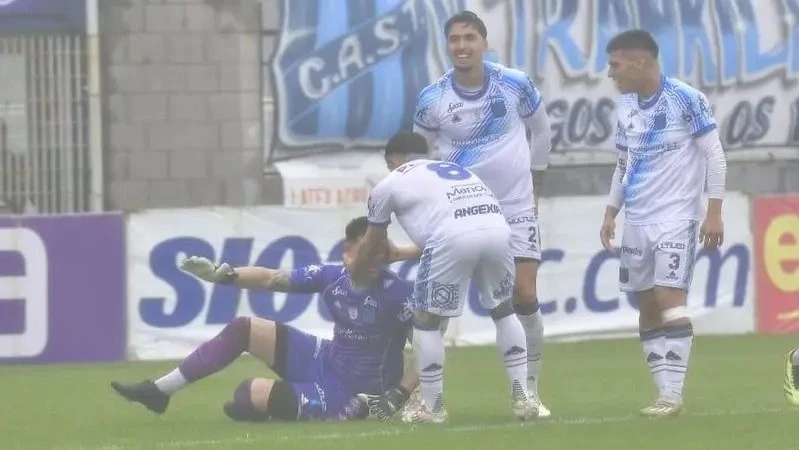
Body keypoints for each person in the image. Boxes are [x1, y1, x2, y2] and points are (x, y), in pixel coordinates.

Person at [110, 216, 421, 423]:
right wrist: (226, 275)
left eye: (380, 252)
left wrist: (400, 394)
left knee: (245, 395)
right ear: (348, 253)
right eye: (367, 252)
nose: (374, 260)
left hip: (355, 392)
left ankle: (293, 406)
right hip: (325, 360)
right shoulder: (332, 277)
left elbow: (427, 349)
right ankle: (160, 391)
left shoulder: (399, 295)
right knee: (243, 328)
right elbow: (273, 278)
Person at [412, 10, 552, 416]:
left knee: (523, 293)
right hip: (461, 211)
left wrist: (537, 183)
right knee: (436, 306)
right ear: (447, 45)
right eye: (454, 39)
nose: (461, 46)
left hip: (515, 205)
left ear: (485, 42)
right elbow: (418, 156)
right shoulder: (432, 99)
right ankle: (425, 396)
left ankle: (529, 391)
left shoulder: (514, 84)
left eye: (469, 37)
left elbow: (540, 130)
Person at [353, 131, 538, 424]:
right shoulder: (455, 171)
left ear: (394, 160)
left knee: (426, 321)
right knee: (503, 311)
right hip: (498, 231)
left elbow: (373, 243)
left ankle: (433, 405)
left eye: (389, 164)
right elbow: (455, 229)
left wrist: (356, 270)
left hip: (451, 237)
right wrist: (400, 253)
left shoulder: (389, 184)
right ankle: (523, 394)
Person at [599, 29, 727, 417]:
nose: (611, 73)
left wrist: (715, 212)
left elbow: (715, 157)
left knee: (671, 296)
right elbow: (624, 163)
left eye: (615, 64)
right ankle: (663, 394)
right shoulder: (626, 106)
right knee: (648, 306)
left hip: (676, 217)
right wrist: (610, 211)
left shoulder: (686, 100)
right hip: (637, 218)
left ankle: (673, 393)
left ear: (640, 62)